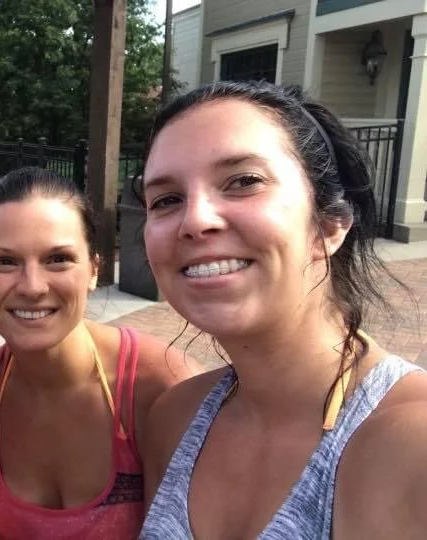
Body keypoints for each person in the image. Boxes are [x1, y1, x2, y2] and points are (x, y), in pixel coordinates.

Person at [139, 81, 427, 538]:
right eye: (166, 200)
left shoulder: (412, 445)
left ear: (331, 223)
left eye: (243, 182)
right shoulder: (174, 419)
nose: (195, 220)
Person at [0, 167, 195, 539]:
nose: (32, 287)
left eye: (58, 259)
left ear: (94, 270)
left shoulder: (163, 387)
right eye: (5, 261)